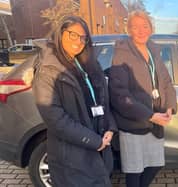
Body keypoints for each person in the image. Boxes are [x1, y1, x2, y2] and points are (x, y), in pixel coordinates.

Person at [32, 16, 117, 187]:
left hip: (98, 150)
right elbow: (56, 119)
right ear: (60, 34)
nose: (79, 41)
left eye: (83, 37)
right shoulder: (48, 71)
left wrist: (110, 127)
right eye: (73, 35)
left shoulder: (88, 64)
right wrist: (94, 141)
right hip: (73, 159)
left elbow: (104, 101)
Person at [109, 11, 177, 187]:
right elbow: (120, 95)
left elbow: (167, 82)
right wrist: (150, 115)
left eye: (145, 26)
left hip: (155, 122)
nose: (141, 30)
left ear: (151, 28)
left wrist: (169, 107)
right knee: (134, 171)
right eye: (135, 27)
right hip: (133, 124)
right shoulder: (122, 54)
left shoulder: (154, 51)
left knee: (155, 165)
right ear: (129, 30)